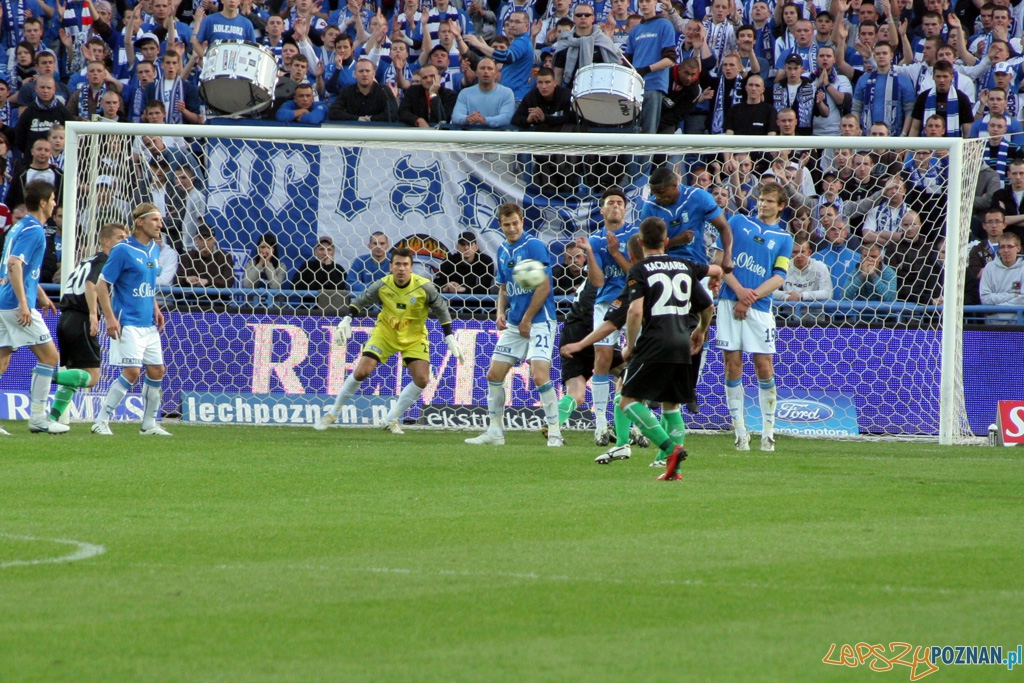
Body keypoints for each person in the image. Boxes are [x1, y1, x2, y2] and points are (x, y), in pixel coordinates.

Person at [316, 247, 465, 433]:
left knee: (422, 379)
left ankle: (391, 418)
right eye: (397, 264)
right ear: (390, 266)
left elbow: (442, 309)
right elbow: (360, 301)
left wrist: (449, 336)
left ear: (411, 268)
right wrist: (347, 319)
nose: (401, 268)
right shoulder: (382, 285)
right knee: (362, 371)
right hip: (385, 334)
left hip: (414, 337)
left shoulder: (424, 287)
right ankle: (332, 413)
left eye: (405, 264)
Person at [618, 217, 721, 481]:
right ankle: (674, 469)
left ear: (640, 243)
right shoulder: (685, 265)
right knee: (671, 407)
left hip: (655, 342)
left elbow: (635, 311)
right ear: (666, 241)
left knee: (627, 401)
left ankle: (669, 449)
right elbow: (707, 305)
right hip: (682, 342)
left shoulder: (639, 270)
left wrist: (630, 346)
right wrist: (700, 330)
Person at [466, 203, 563, 447]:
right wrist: (500, 312)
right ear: (500, 225)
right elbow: (503, 287)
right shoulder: (502, 250)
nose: (511, 229)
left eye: (515, 223)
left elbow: (544, 286)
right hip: (515, 323)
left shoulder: (533, 246)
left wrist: (528, 319)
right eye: (506, 225)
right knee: (494, 374)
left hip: (540, 321)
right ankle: (495, 432)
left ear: (522, 221)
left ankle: (554, 433)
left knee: (540, 376)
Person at [715, 181, 794, 453]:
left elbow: (779, 277)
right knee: (732, 365)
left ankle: (768, 433)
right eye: (761, 199)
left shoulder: (784, 238)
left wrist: (750, 298)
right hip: (728, 302)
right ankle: (740, 432)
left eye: (770, 201)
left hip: (760, 309)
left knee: (764, 366)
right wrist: (738, 293)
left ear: (781, 206)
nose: (764, 204)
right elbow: (719, 261)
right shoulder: (736, 222)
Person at [91, 203, 172, 436]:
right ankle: (101, 420)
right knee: (133, 371)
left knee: (157, 371)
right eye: (155, 220)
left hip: (148, 322)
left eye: (160, 220)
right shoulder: (123, 250)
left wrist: (156, 307)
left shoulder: (155, 250)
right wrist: (110, 318)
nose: (160, 225)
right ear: (140, 222)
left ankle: (148, 425)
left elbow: (148, 283)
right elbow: (101, 284)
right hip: (128, 322)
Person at [0, 180, 73, 434]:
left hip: (3, 301)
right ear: (43, 202)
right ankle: (39, 417)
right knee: (50, 357)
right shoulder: (34, 230)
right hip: (14, 305)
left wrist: (40, 294)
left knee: (1, 360)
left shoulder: (18, 226)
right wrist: (24, 303)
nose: (55, 203)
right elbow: (14, 264)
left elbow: (24, 267)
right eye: (53, 199)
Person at [573, 187, 637, 445]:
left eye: (619, 203)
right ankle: (600, 423)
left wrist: (615, 253)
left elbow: (637, 272)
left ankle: (632, 423)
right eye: (610, 202)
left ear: (625, 208)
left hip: (635, 300)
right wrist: (589, 251)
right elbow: (598, 282)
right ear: (601, 209)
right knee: (602, 358)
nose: (615, 207)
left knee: (636, 358)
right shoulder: (596, 239)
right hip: (606, 303)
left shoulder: (635, 235)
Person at [48, 223, 129, 424]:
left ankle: (53, 417)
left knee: (75, 375)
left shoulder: (87, 260)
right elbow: (91, 284)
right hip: (82, 318)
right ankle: (46, 375)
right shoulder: (105, 260)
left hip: (66, 318)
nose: (124, 241)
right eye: (120, 237)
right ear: (106, 241)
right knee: (92, 377)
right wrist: (94, 314)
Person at [623, 0, 676, 134]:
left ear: (655, 3)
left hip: (653, 85)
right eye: (641, 1)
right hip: (634, 88)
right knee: (629, 131)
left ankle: (646, 157)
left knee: (648, 132)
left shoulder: (665, 25)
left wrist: (646, 69)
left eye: (648, 1)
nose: (644, 4)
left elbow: (670, 59)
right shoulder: (636, 30)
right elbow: (627, 60)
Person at [327, 57, 399, 122]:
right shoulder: (347, 91)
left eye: (367, 71)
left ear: (373, 74)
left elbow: (393, 114)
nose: (364, 74)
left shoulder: (384, 90)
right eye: (361, 71)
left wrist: (370, 119)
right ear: (355, 74)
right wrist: (357, 119)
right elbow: (333, 112)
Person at [451, 57, 515, 128]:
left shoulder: (507, 93)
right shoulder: (465, 93)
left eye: (490, 69)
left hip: (498, 136)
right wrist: (467, 118)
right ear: (476, 73)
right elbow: (456, 116)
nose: (486, 71)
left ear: (495, 74)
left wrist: (485, 120)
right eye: (482, 68)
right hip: (471, 136)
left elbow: (506, 117)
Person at [979, 232, 1024, 323]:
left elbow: (1022, 300)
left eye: (1010, 246)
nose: (1006, 250)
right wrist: (1012, 296)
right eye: (1002, 247)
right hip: (992, 323)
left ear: (1018, 248)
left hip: (1018, 324)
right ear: (998, 250)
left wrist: (996, 305)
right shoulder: (989, 268)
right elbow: (985, 298)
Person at [433, 230, 495, 295]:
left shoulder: (485, 261)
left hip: (480, 303)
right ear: (457, 247)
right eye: (463, 244)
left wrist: (464, 289)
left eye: (470, 244)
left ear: (476, 247)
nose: (466, 248)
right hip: (455, 302)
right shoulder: (449, 261)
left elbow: (485, 287)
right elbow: (436, 284)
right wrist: (446, 287)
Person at [176, 224, 235, 290]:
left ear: (214, 239)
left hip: (217, 299)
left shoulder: (224, 257)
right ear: (196, 239)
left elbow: (229, 281)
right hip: (192, 298)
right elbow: (176, 280)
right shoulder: (187, 257)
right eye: (201, 239)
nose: (205, 242)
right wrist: (186, 279)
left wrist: (207, 281)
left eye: (209, 239)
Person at [773, 239, 832, 304]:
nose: (799, 256)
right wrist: (787, 296)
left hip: (813, 312)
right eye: (795, 252)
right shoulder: (785, 266)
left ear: (809, 252)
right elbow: (771, 291)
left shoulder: (820, 267)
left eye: (802, 252)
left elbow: (828, 293)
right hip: (789, 312)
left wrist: (802, 296)